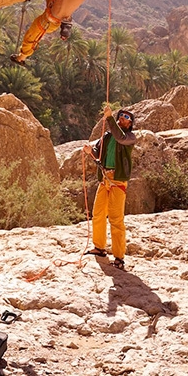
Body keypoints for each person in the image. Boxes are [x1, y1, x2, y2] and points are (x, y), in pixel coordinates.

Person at [83, 105, 136, 270]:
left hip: (118, 182)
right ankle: (99, 247)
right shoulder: (106, 137)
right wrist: (90, 151)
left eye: (127, 118)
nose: (123, 119)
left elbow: (120, 138)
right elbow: (98, 154)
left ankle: (119, 257)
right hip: (105, 179)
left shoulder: (129, 138)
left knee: (116, 219)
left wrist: (110, 117)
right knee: (98, 214)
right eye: (121, 117)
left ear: (131, 123)